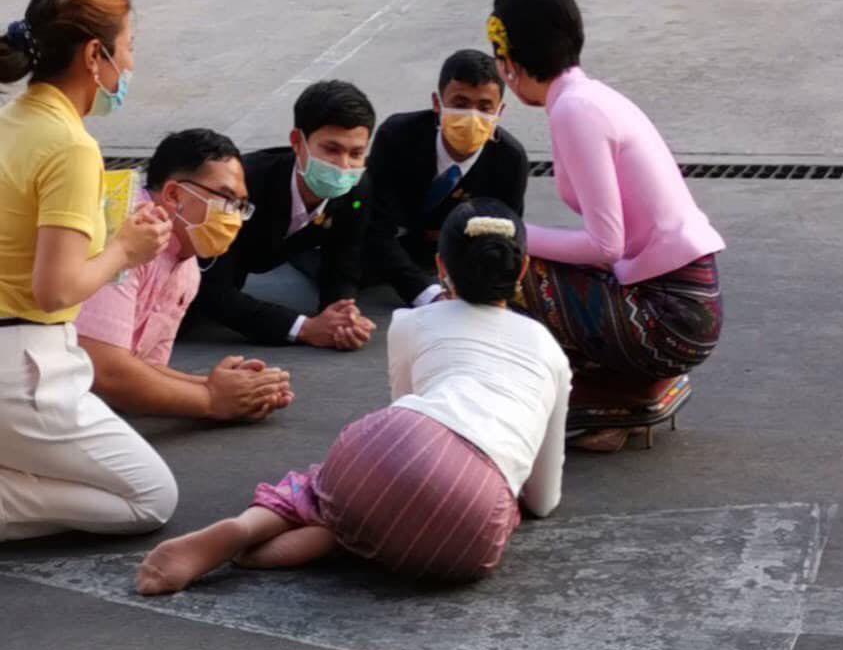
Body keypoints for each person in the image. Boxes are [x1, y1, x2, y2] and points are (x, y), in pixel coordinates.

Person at [136, 199, 570, 595]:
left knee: (324, 486)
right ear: (524, 266)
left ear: (441, 267)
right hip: (466, 518)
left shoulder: (410, 321)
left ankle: (257, 525)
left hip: (388, 448)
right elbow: (543, 499)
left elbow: (404, 406)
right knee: (487, 509)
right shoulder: (550, 351)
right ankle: (343, 539)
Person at [487, 0, 724, 454]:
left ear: (507, 59)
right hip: (685, 306)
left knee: (492, 260)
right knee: (520, 254)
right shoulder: (585, 98)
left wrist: (513, 234)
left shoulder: (575, 110)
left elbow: (603, 246)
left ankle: (595, 400)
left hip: (670, 319)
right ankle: (615, 399)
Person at [0, 0, 179, 541]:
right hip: (24, 367)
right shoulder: (71, 147)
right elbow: (55, 289)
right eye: (127, 46)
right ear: (93, 55)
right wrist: (127, 248)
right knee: (151, 496)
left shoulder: (13, 120)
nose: (129, 62)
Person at [76, 129, 293, 423]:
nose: (233, 217)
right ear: (174, 194)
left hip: (74, 400)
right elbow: (106, 370)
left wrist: (227, 389)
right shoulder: (125, 234)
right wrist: (212, 400)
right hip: (32, 389)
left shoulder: (187, 267)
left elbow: (142, 367)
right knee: (143, 472)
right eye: (226, 199)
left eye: (240, 206)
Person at [185, 81, 376, 351]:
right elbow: (211, 290)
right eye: (331, 150)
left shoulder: (357, 189)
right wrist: (305, 328)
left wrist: (341, 315)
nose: (344, 167)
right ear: (297, 143)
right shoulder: (243, 185)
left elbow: (343, 261)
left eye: (356, 153)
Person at [363, 49, 528, 306]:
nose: (472, 117)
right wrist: (427, 294)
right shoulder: (397, 136)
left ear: (500, 111)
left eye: (485, 107)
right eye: (460, 104)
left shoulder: (510, 160)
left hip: (455, 263)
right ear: (437, 103)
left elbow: (504, 236)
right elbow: (375, 223)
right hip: (386, 252)